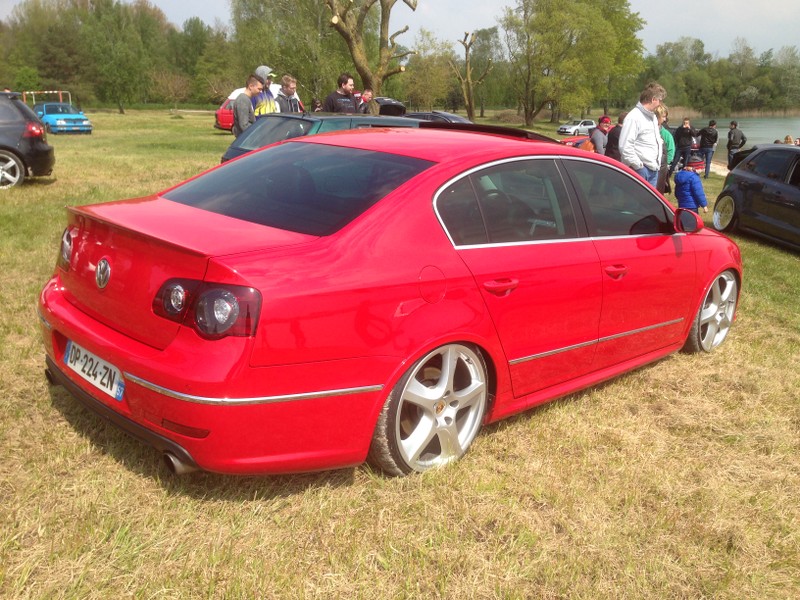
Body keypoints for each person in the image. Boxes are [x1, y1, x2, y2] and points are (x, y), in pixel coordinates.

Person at [619, 82, 667, 186]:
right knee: (635, 202)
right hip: (641, 170)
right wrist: (638, 166)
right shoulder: (634, 117)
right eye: (659, 100)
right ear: (653, 99)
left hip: (653, 170)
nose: (660, 104)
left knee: (648, 202)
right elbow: (625, 146)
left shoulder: (653, 118)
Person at [654, 104, 674, 194]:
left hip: (660, 170)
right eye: (663, 117)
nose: (665, 119)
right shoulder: (647, 130)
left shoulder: (666, 134)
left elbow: (671, 151)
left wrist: (664, 164)